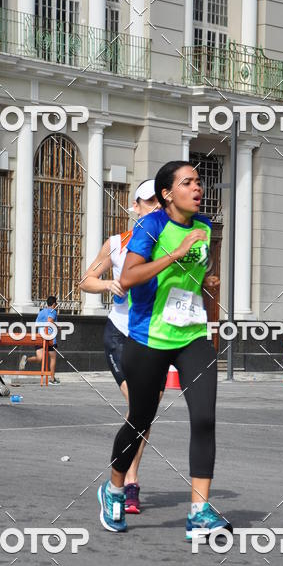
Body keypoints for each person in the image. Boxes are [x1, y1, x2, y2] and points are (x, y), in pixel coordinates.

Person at [97, 161, 228, 539]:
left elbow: (196, 273)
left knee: (204, 418)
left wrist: (206, 279)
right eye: (187, 182)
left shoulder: (203, 227)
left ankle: (199, 512)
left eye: (199, 182)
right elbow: (129, 277)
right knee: (140, 421)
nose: (197, 188)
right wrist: (175, 253)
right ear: (168, 194)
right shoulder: (150, 226)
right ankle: (115, 488)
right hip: (148, 336)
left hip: (191, 335)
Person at [80, 179, 167, 514]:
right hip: (120, 334)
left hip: (156, 338)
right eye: (148, 202)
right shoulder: (116, 244)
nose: (156, 207)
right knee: (139, 409)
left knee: (144, 415)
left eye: (160, 202)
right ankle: (128, 482)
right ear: (135, 207)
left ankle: (127, 479)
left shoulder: (170, 246)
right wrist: (107, 283)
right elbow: (85, 280)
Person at [19, 295, 60, 385]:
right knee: (53, 358)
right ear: (53, 304)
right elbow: (50, 320)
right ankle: (52, 379)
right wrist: (57, 326)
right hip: (49, 338)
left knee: (39, 358)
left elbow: (36, 324)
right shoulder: (53, 311)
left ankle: (27, 359)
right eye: (56, 304)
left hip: (39, 337)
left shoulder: (41, 312)